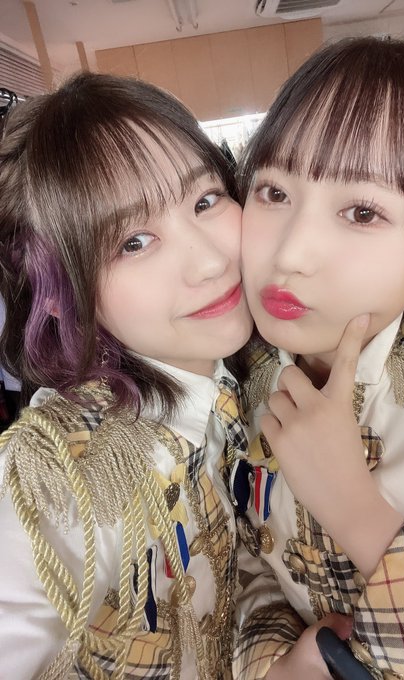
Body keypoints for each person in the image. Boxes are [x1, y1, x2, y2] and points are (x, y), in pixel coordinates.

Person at [232, 37, 404, 679]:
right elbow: (247, 563)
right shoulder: (243, 368)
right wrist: (276, 666)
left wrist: (357, 509)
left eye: (362, 211)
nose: (290, 252)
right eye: (273, 191)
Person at [0, 71, 253, 679]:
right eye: (133, 242)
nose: (211, 262)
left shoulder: (239, 373)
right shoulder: (63, 472)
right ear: (57, 292)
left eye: (205, 200)